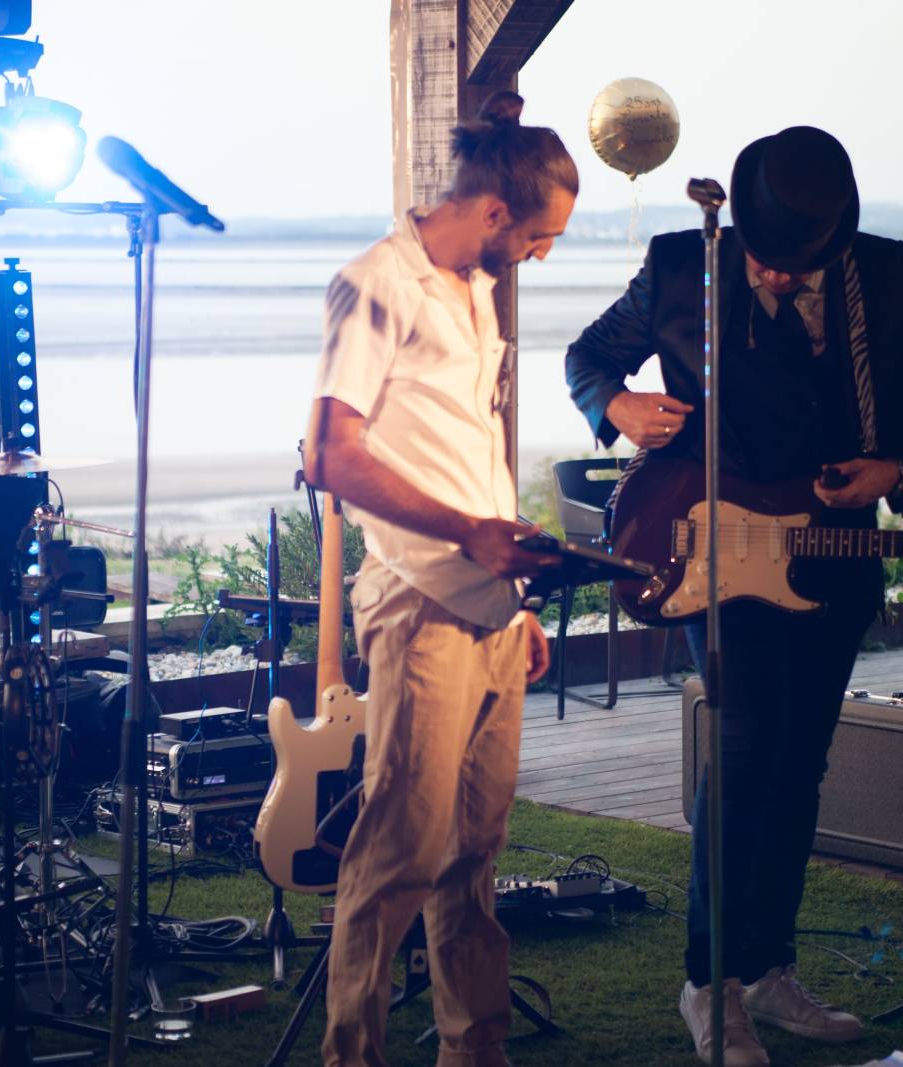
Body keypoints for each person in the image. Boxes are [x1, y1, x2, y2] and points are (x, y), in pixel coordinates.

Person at [565, 126, 903, 1066]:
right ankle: (709, 980)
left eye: (792, 264)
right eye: (762, 259)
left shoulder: (879, 273)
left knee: (799, 766)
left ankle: (768, 968)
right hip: (714, 550)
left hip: (831, 557)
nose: (772, 276)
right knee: (742, 756)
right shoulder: (683, 260)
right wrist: (620, 406)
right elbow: (587, 356)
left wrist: (891, 464)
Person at [303, 90, 577, 1067]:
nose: (544, 254)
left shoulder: (473, 288)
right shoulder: (373, 284)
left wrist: (519, 598)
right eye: (542, 236)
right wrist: (468, 534)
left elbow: (471, 454)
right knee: (399, 856)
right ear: (498, 213)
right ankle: (352, 1054)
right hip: (417, 603)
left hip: (492, 616)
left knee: (472, 858)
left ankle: (475, 1053)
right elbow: (330, 456)